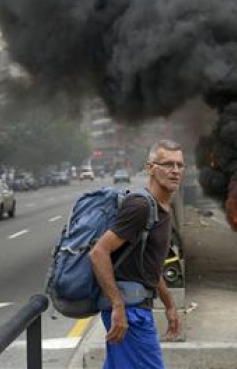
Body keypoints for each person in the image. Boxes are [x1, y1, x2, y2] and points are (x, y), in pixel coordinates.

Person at [89, 139, 184, 368]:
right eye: (168, 164)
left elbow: (150, 265)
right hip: (130, 314)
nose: (175, 171)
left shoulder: (164, 209)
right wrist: (118, 307)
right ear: (150, 167)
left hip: (138, 308)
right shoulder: (140, 207)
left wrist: (169, 304)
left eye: (180, 165)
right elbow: (98, 253)